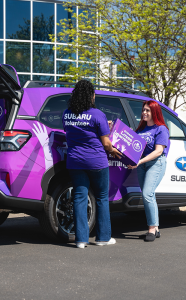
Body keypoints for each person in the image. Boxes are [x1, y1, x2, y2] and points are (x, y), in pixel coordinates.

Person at [62, 79, 121, 249]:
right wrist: (114, 151)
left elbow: (72, 131)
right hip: (96, 161)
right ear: (92, 96)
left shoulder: (67, 113)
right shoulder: (97, 114)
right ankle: (103, 238)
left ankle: (81, 239)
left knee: (79, 198)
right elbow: (106, 143)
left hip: (75, 161)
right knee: (102, 197)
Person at [128, 100, 169, 242]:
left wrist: (139, 161)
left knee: (147, 194)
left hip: (156, 163)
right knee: (149, 196)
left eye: (147, 110)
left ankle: (152, 228)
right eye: (143, 110)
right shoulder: (140, 130)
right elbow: (131, 147)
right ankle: (155, 229)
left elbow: (158, 151)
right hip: (142, 164)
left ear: (154, 112)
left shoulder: (161, 129)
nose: (144, 113)